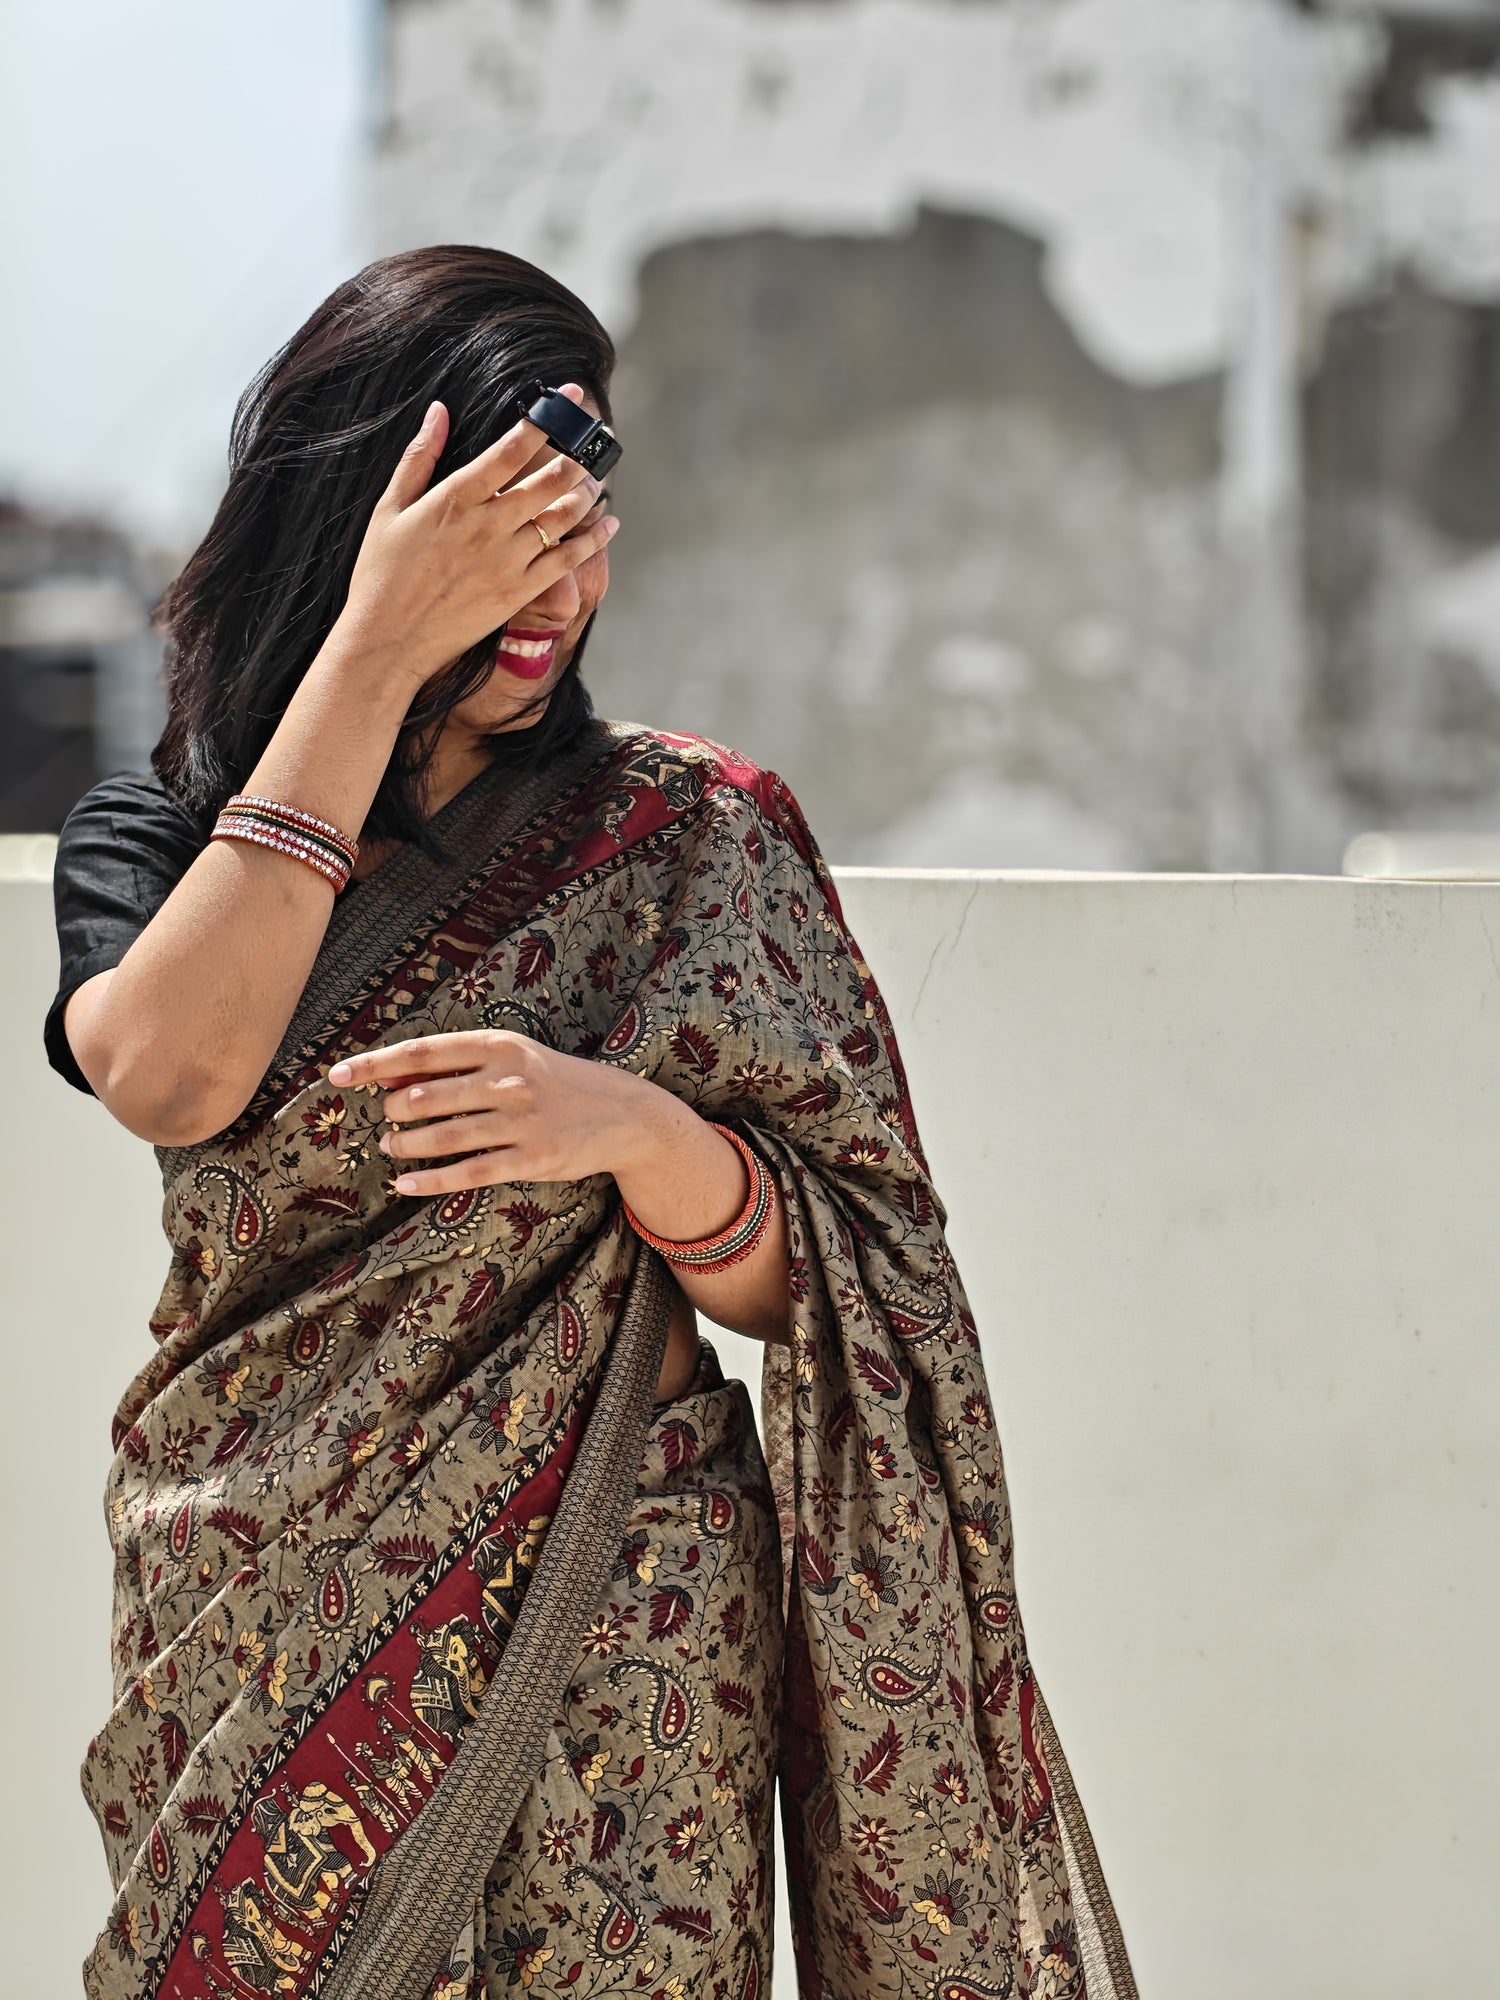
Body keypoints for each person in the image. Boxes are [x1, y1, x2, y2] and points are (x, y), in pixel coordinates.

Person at [45, 246, 1136, 2000]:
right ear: (363, 526)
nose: (557, 585)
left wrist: (626, 1126)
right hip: (250, 1606)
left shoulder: (686, 841)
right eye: (504, 534)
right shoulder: (163, 835)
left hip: (625, 1617)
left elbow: (847, 1283)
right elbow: (168, 1075)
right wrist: (378, 645)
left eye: (583, 520)